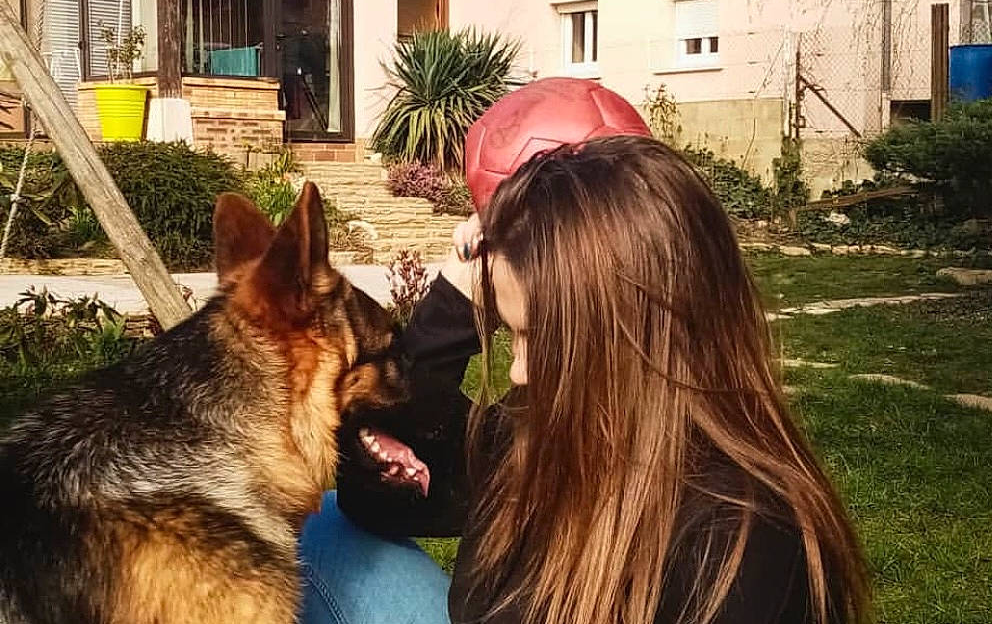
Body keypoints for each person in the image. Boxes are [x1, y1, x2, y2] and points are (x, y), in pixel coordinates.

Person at [299, 135, 870, 624]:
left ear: (629, 341)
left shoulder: (743, 544)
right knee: (318, 533)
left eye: (540, 340)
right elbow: (374, 504)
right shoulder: (540, 426)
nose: (518, 371)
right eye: (508, 332)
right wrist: (453, 305)